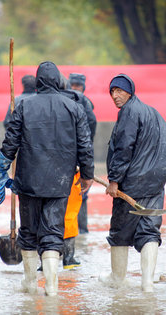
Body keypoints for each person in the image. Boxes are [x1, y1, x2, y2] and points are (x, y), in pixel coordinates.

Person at [0, 61, 94, 296]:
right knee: (53, 232)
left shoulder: (23, 106)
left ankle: (30, 282)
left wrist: (1, 169)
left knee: (28, 233)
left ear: (38, 81)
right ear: (59, 81)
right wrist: (87, 175)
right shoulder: (74, 107)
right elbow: (85, 146)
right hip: (60, 182)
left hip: (28, 181)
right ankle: (51, 286)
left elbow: (10, 142)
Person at [100, 74, 166, 293]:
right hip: (154, 185)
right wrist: (159, 177)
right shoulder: (154, 113)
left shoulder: (129, 112)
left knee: (120, 232)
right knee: (150, 231)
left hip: (130, 185)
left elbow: (123, 149)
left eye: (120, 91)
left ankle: (118, 278)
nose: (115, 95)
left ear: (130, 91)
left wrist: (114, 180)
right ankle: (147, 283)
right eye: (112, 91)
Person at [69, 73, 96, 234]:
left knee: (78, 193)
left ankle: (79, 231)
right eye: (74, 85)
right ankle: (81, 231)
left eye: (77, 86)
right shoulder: (85, 102)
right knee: (80, 193)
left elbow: (91, 124)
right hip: (80, 154)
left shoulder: (76, 101)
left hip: (74, 155)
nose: (75, 89)